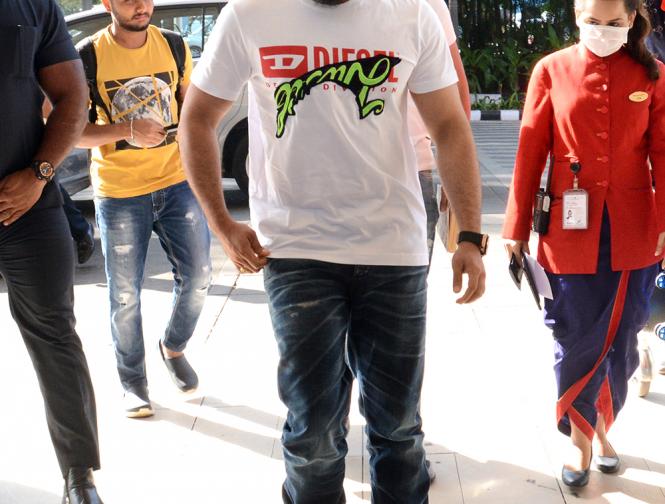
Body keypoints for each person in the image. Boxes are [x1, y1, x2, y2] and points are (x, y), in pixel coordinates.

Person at [180, 0, 487, 501]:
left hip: (393, 249)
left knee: (398, 429)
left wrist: (470, 235)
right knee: (313, 436)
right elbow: (197, 118)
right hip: (295, 250)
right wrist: (222, 223)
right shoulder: (250, 13)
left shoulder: (411, 14)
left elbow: (450, 125)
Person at [504, 0, 665, 488]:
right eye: (592, 22)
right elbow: (530, 151)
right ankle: (581, 438)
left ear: (632, 20)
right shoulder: (550, 70)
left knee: (623, 338)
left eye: (614, 23)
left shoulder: (654, 75)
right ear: (576, 16)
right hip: (568, 231)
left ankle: (600, 427)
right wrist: (514, 228)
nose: (602, 31)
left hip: (635, 232)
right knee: (574, 335)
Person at [77, 0, 212, 418]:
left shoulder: (173, 44)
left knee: (199, 277)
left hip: (176, 182)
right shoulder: (88, 56)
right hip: (119, 192)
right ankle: (133, 382)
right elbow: (70, 131)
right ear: (107, 3)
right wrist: (126, 129)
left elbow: (193, 112)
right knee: (124, 295)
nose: (140, 5)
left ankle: (173, 346)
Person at [0, 1, 103, 502]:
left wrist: (40, 174)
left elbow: (71, 95)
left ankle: (79, 477)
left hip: (27, 203)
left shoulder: (34, 4)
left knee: (55, 335)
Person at [409, 0, 471, 264]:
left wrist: (456, 174)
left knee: (409, 287)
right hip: (322, 183)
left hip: (412, 173)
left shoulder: (427, 6)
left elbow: (457, 93)